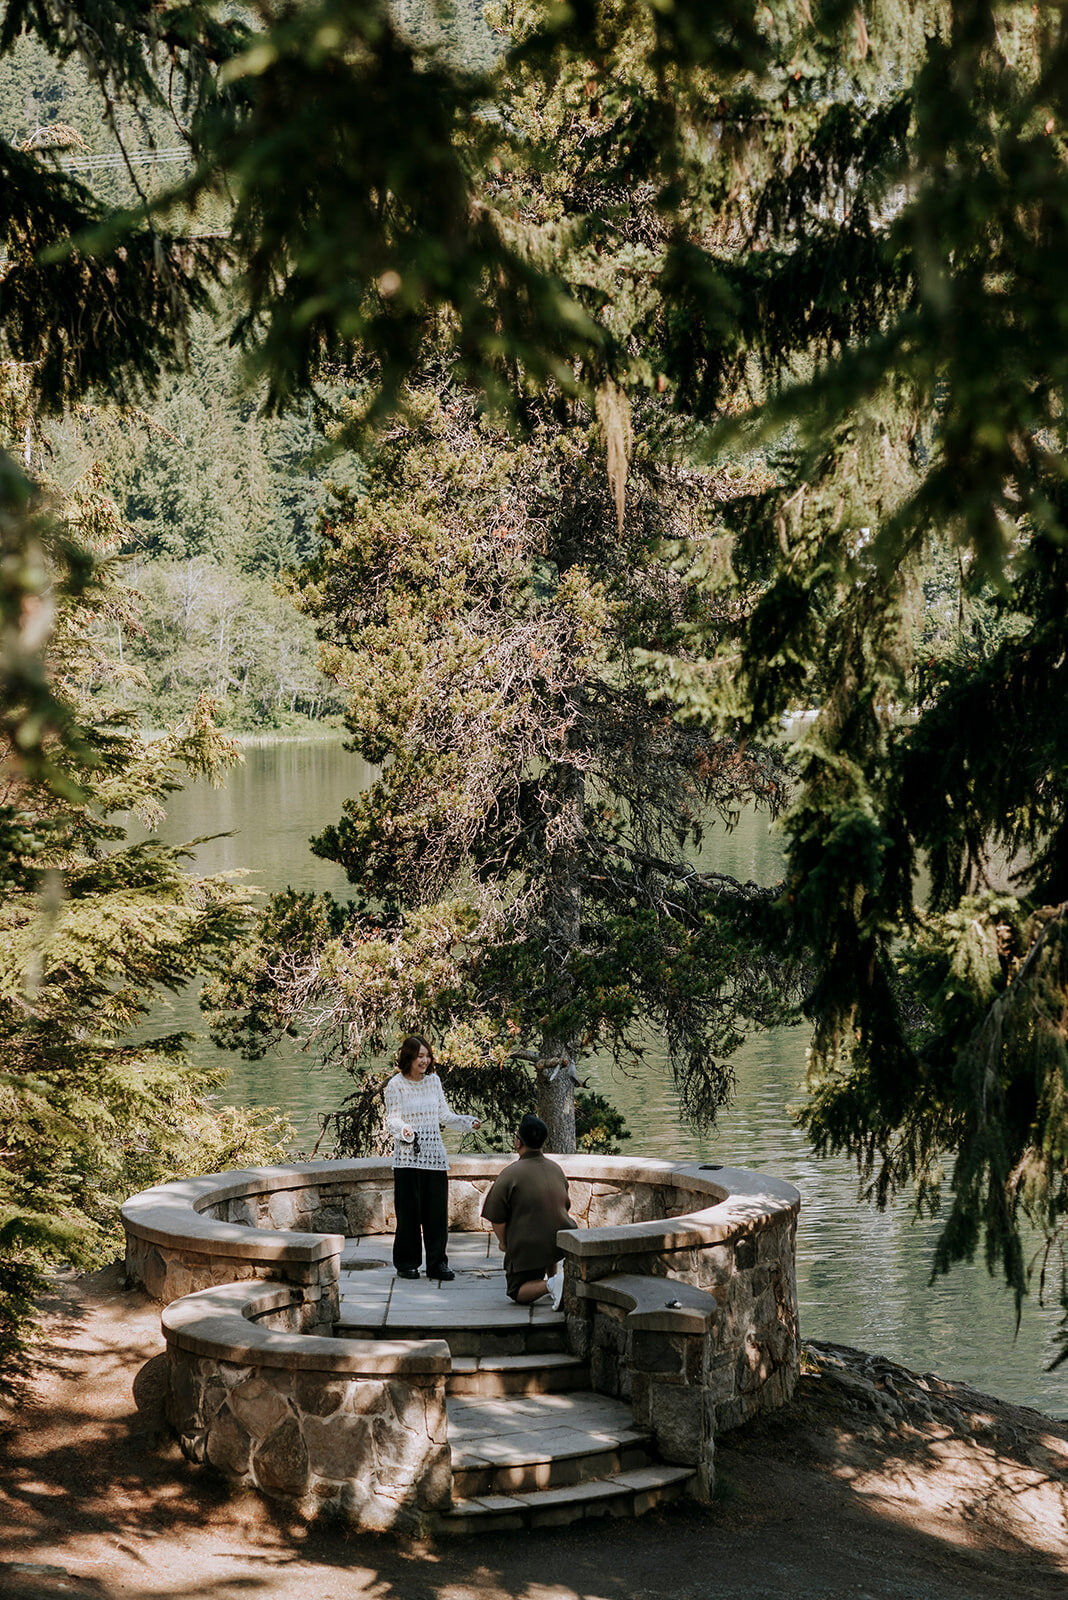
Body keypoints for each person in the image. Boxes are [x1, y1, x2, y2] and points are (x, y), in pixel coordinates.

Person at [383, 1035, 480, 1282]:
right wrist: (404, 1129)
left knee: (436, 1215)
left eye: (427, 1055)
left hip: (434, 1158)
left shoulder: (434, 1082)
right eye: (419, 1056)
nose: (424, 1060)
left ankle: (437, 1264)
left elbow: (444, 1116)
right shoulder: (396, 1085)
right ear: (409, 1057)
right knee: (409, 1216)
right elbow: (391, 1120)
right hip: (407, 1160)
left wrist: (467, 1122)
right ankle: (407, 1264)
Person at [480, 1113, 575, 1307]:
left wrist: (505, 1244)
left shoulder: (510, 1174)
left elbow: (496, 1218)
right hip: (563, 1237)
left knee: (517, 1291)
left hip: (531, 1246)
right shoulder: (555, 1168)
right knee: (550, 1226)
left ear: (518, 1143)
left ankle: (553, 1283)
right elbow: (563, 1206)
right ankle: (555, 1279)